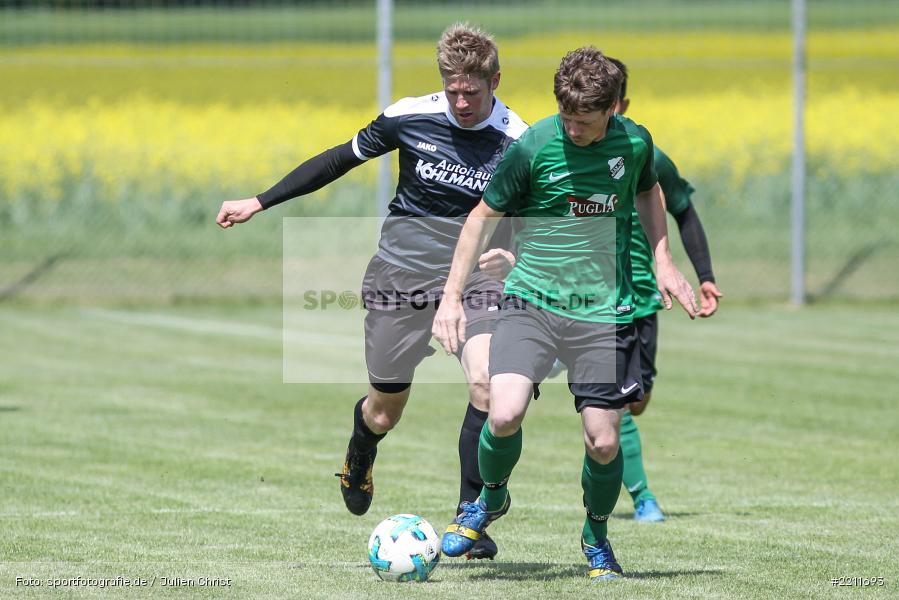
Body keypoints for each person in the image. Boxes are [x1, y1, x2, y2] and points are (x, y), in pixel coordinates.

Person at [215, 23, 527, 560]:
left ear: (494, 80)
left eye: (472, 91)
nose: (461, 101)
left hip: (473, 280)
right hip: (400, 276)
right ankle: (360, 454)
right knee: (384, 410)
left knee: (487, 385)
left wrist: (515, 251)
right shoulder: (410, 115)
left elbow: (533, 211)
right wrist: (261, 201)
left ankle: (470, 521)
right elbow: (338, 159)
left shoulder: (518, 139)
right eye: (452, 89)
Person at [432, 47, 697, 581]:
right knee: (502, 412)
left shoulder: (634, 142)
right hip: (530, 301)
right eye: (567, 118)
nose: (573, 130)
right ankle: (490, 499)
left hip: (601, 312)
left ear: (613, 112)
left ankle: (596, 539)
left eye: (585, 122)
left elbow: (649, 190)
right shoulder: (534, 144)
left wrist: (664, 260)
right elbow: (483, 217)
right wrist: (451, 297)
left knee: (602, 440)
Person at [534, 57, 724, 522]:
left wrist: (703, 274)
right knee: (614, 403)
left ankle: (601, 446)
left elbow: (682, 210)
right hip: (597, 298)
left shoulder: (644, 154)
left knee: (637, 401)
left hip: (645, 299)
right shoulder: (561, 150)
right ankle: (641, 495)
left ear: (620, 106)